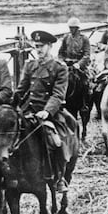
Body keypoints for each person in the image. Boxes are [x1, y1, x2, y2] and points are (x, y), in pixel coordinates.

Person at [15, 30, 78, 193]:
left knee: (56, 140)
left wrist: (47, 111)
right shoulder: (30, 65)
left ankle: (59, 176)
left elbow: (58, 94)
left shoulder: (59, 67)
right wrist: (9, 104)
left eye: (41, 46)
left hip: (50, 111)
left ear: (50, 46)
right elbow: (21, 90)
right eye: (36, 47)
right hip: (28, 109)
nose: (38, 50)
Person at [58, 17, 91, 113]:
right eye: (70, 28)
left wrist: (79, 64)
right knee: (59, 80)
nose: (71, 30)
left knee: (85, 82)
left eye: (73, 28)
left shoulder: (84, 39)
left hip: (79, 66)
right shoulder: (66, 38)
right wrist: (62, 61)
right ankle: (60, 101)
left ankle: (84, 103)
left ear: (77, 28)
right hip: (67, 65)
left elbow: (87, 55)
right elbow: (60, 53)